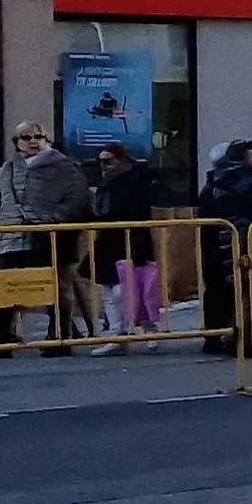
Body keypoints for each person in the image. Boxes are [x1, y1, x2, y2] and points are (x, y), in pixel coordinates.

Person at [0, 122, 96, 353]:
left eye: (38, 136)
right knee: (7, 289)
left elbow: (78, 197)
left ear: (47, 141)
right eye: (26, 137)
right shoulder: (7, 168)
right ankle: (1, 339)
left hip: (48, 237)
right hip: (11, 238)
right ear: (17, 142)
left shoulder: (63, 166)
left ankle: (59, 339)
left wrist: (54, 219)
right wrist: (0, 224)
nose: (33, 141)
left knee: (53, 288)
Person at [88, 141, 161, 354]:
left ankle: (147, 329)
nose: (103, 166)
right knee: (110, 290)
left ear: (119, 160)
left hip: (130, 238)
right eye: (100, 162)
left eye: (108, 161)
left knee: (130, 288)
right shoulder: (108, 182)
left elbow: (134, 209)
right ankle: (117, 333)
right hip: (110, 239)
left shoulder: (133, 179)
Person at [199, 139, 252, 340]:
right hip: (250, 241)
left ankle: (228, 336)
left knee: (234, 292)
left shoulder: (216, 180)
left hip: (225, 242)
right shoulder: (250, 180)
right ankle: (244, 341)